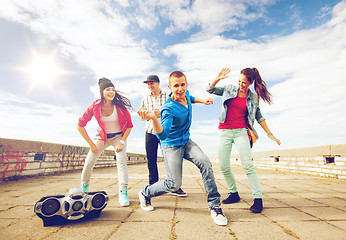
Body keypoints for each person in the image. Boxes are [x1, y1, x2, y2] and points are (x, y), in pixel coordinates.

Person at [137, 71, 228, 226]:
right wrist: (153, 118)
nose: (180, 89)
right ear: (170, 87)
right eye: (176, 86)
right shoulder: (168, 108)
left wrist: (203, 100)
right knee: (174, 184)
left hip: (186, 141)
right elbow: (163, 135)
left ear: (186, 84)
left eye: (182, 85)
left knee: (205, 162)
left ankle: (215, 205)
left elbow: (191, 98)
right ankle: (145, 192)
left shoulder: (185, 95)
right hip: (171, 145)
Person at [206, 67, 281, 213]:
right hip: (224, 131)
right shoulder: (229, 89)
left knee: (247, 165)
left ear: (251, 82)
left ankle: (258, 199)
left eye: (244, 83)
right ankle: (234, 194)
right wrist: (217, 78)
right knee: (224, 165)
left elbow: (259, 116)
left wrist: (269, 133)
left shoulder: (253, 98)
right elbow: (210, 90)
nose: (241, 85)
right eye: (239, 81)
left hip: (241, 132)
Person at [77, 77, 133, 207]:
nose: (111, 92)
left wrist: (122, 143)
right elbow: (80, 125)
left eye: (113, 89)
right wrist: (91, 144)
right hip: (101, 137)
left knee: (121, 162)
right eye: (108, 89)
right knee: (89, 161)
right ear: (102, 92)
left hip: (118, 137)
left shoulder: (120, 106)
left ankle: (123, 191)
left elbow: (129, 126)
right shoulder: (95, 106)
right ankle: (84, 188)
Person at [139, 74, 186, 197]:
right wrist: (143, 115)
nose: (150, 85)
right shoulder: (145, 98)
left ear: (158, 83)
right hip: (150, 131)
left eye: (152, 83)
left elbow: (175, 110)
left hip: (166, 132)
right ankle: (153, 187)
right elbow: (142, 118)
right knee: (151, 160)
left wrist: (160, 113)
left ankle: (175, 188)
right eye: (148, 84)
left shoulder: (168, 96)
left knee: (170, 160)